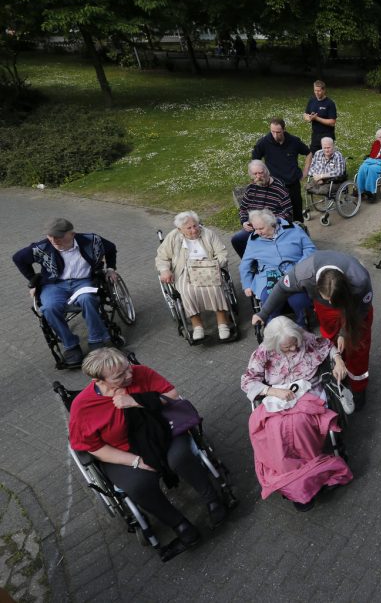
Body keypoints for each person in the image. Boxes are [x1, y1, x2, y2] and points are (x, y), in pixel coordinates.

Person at [69, 349, 227, 548]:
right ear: (97, 380)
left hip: (161, 431)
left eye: (128, 368)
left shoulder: (140, 372)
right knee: (138, 485)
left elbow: (172, 395)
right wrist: (135, 461)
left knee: (180, 457)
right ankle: (179, 525)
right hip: (123, 451)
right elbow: (94, 448)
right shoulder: (82, 407)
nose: (130, 375)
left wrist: (137, 401)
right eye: (120, 376)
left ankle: (212, 499)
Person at [241, 316, 353, 511]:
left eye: (295, 345)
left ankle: (304, 481)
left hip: (308, 395)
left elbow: (327, 346)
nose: (293, 350)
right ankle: (299, 481)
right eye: (287, 348)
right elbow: (247, 381)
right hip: (278, 398)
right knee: (273, 430)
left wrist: (338, 360)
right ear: (274, 344)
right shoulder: (263, 353)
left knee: (298, 426)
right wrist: (273, 391)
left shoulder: (305, 339)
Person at [254, 251, 374, 407]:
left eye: (333, 300)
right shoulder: (304, 273)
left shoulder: (360, 280)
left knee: (358, 346)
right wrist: (263, 313)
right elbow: (281, 288)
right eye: (327, 298)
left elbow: (362, 309)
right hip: (324, 309)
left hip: (355, 306)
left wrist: (345, 332)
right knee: (330, 341)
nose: (331, 302)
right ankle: (337, 371)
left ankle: (358, 387)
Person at [13, 218, 117, 366]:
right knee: (49, 307)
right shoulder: (42, 247)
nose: (54, 240)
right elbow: (18, 258)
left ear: (72, 234)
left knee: (87, 299)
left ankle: (97, 340)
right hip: (54, 284)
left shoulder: (91, 240)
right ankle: (71, 346)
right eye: (50, 236)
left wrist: (111, 268)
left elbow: (111, 248)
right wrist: (32, 281)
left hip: (83, 281)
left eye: (59, 236)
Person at [155, 211, 232, 342]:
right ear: (180, 229)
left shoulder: (208, 234)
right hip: (184, 270)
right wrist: (164, 270)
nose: (194, 230)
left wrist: (215, 264)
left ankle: (223, 323)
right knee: (186, 291)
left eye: (195, 226)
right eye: (189, 228)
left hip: (208, 266)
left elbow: (221, 252)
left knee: (215, 288)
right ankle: (197, 326)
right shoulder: (173, 237)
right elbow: (162, 257)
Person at [240, 209, 316, 326]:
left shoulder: (293, 229)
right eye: (255, 228)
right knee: (269, 301)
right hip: (268, 276)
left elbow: (310, 249)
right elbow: (245, 263)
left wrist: (301, 265)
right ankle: (275, 329)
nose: (258, 232)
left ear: (272, 224)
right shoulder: (254, 239)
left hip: (295, 271)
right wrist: (247, 284)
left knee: (299, 300)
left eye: (261, 228)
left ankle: (303, 325)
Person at [251, 117, 312, 222]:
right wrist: (259, 176)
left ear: (284, 129)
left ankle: (300, 235)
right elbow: (254, 161)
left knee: (297, 214)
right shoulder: (263, 142)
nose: (275, 135)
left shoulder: (294, 141)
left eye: (278, 132)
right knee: (279, 217)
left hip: (293, 184)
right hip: (274, 186)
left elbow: (309, 153)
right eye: (272, 132)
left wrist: (305, 171)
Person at [231, 160, 294, 257]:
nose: (258, 176)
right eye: (255, 174)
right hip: (254, 227)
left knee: (263, 243)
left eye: (260, 173)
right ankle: (251, 264)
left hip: (272, 227)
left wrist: (271, 222)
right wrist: (244, 221)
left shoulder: (279, 189)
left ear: (266, 171)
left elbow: (288, 212)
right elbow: (243, 209)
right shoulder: (251, 188)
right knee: (237, 239)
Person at [303, 80, 337, 151]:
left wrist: (317, 118)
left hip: (327, 135)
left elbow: (332, 123)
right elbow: (305, 114)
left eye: (319, 91)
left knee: (327, 157)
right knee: (312, 155)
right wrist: (309, 118)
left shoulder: (330, 103)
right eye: (315, 90)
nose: (317, 93)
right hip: (315, 135)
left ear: (324, 90)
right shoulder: (312, 101)